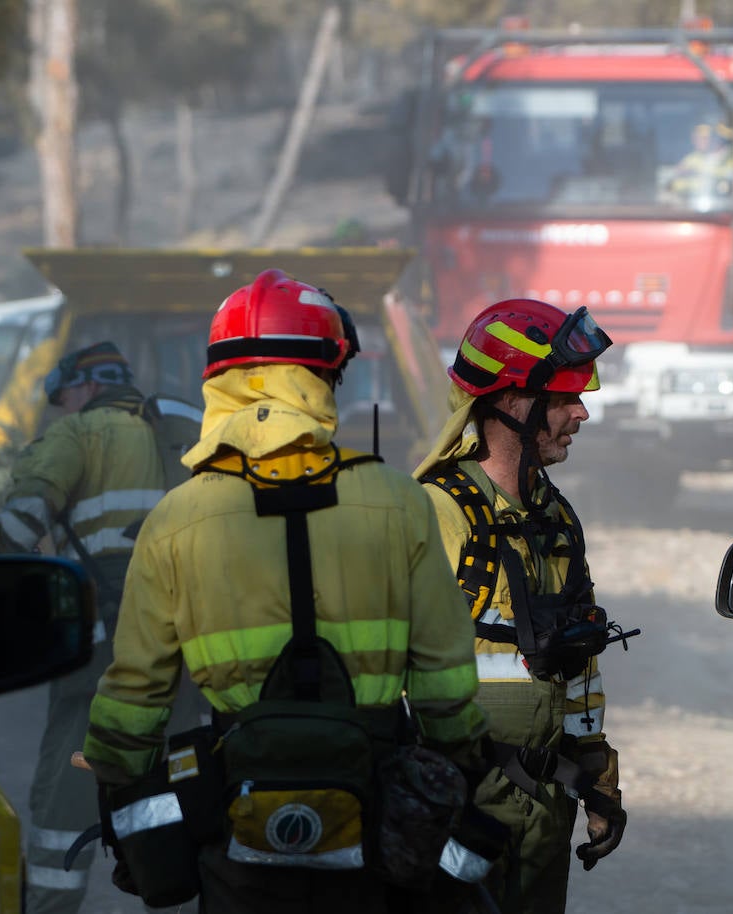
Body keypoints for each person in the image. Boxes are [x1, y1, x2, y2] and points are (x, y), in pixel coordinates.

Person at [81, 269, 489, 914]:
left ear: (218, 379)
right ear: (325, 375)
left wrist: (113, 774)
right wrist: (454, 767)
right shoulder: (398, 499)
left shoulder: (176, 516)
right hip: (378, 807)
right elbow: (445, 674)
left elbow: (136, 689)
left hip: (234, 811)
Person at [413, 298, 629, 914]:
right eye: (564, 397)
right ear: (511, 402)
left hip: (544, 809)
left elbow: (580, 666)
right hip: (459, 807)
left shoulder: (555, 520)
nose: (581, 411)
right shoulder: (439, 516)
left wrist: (596, 775)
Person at [0, 340, 193, 914]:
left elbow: (21, 522)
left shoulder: (80, 433)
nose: (62, 409)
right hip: (189, 643)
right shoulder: (178, 433)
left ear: (86, 385)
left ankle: (52, 906)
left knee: (63, 793)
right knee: (182, 781)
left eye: (65, 397)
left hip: (106, 647)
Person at [658, 121, 733, 201]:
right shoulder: (692, 159)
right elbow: (675, 183)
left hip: (723, 205)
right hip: (694, 206)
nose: (697, 141)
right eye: (695, 138)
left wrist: (697, 172)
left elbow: (728, 183)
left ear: (715, 138)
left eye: (703, 138)